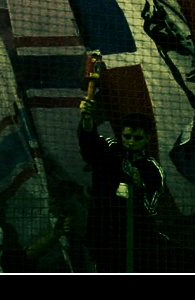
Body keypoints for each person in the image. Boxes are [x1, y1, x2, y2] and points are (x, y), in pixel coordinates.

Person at [78, 97, 169, 271]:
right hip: (103, 237)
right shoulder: (110, 148)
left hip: (135, 243)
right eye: (127, 136)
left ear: (147, 138)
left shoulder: (152, 168)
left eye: (137, 138)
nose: (131, 142)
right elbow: (89, 145)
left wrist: (140, 186)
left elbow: (151, 208)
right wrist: (87, 119)